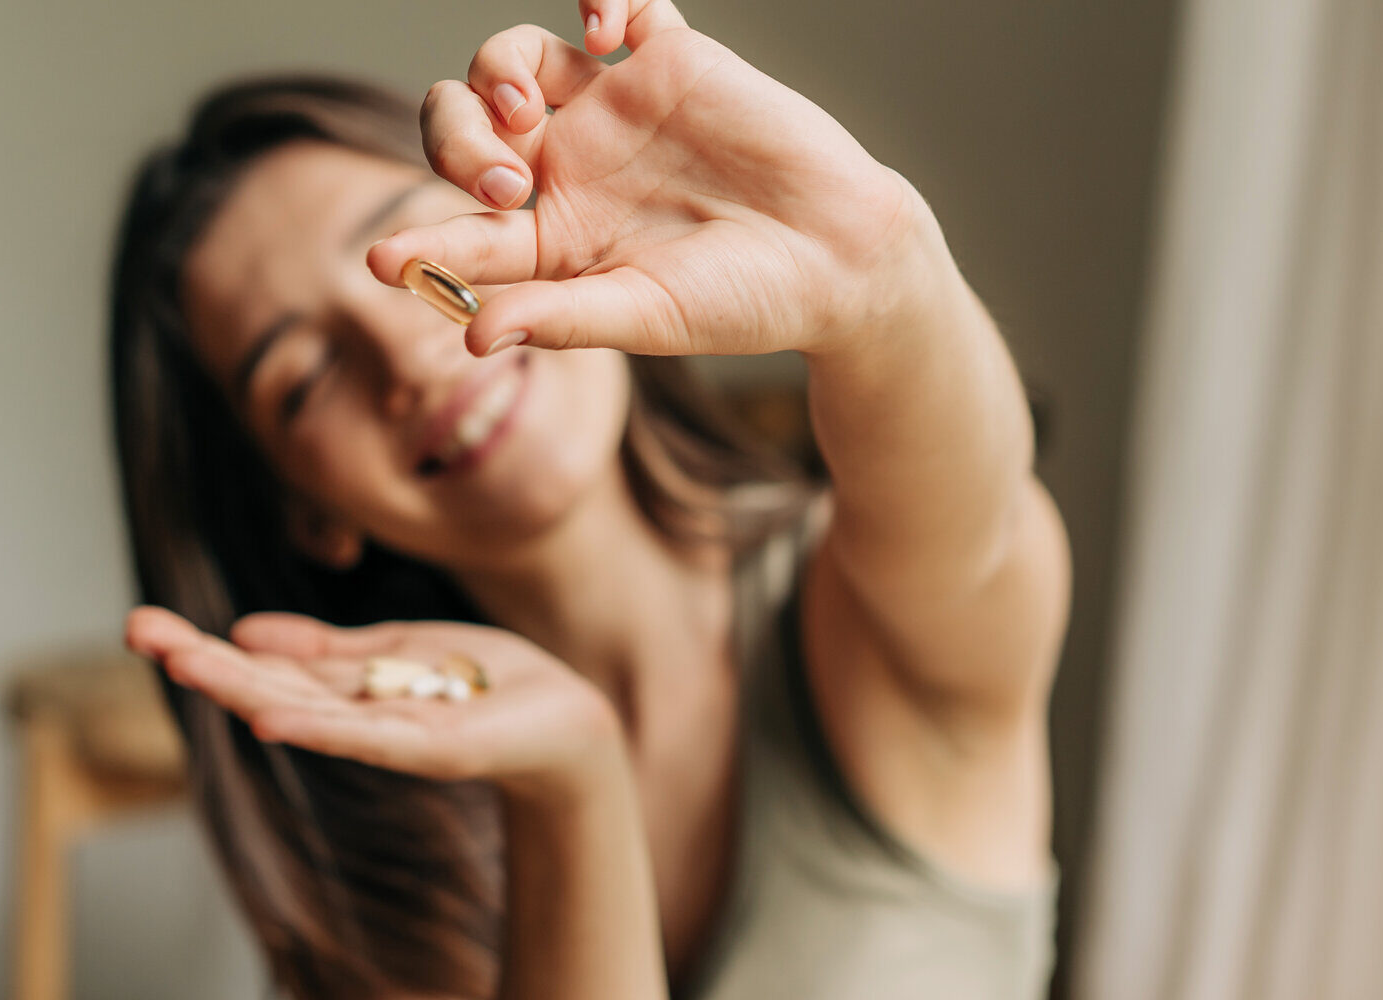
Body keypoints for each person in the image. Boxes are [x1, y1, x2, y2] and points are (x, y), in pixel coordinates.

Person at [112, 2, 1070, 997]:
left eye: (416, 253)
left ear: (526, 212)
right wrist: (570, 786)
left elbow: (982, 525)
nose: (403, 355)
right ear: (306, 512)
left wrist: (879, 267)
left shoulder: (865, 614)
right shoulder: (387, 853)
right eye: (303, 380)